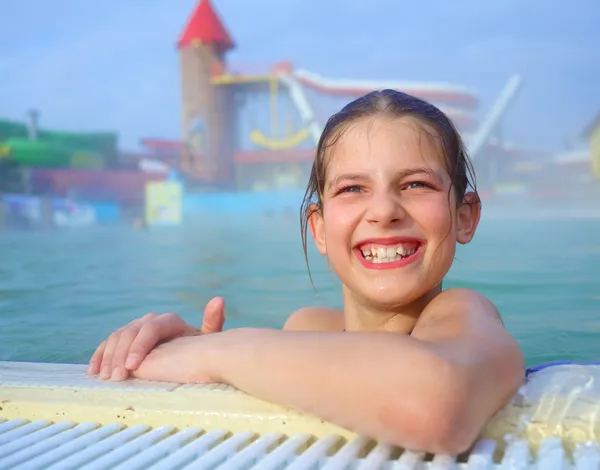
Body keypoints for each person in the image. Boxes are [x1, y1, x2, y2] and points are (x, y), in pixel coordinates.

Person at [87, 90, 524, 454]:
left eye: (415, 184)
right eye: (353, 188)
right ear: (318, 227)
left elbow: (433, 403)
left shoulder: (464, 313)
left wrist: (218, 353)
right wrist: (196, 353)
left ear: (464, 216)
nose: (385, 211)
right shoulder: (306, 326)